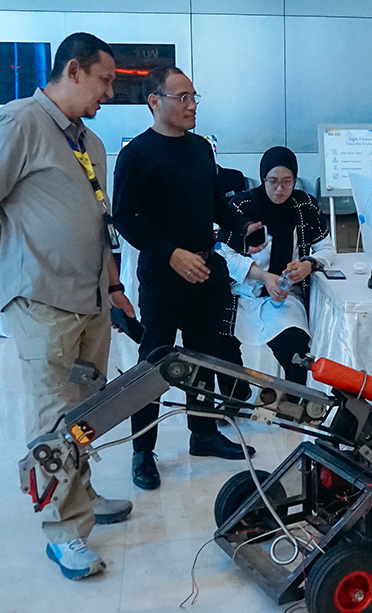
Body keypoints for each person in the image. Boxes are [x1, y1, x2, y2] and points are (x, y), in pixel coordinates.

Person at [0, 32, 136, 580]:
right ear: (74, 70)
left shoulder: (90, 142)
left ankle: (82, 496)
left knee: (85, 407)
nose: (109, 92)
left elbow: (100, 222)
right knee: (53, 415)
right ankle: (63, 532)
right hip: (43, 300)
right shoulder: (18, 123)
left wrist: (113, 287)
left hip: (91, 299)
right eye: (104, 80)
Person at [113, 66, 262, 492]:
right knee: (156, 360)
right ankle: (143, 450)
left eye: (194, 97)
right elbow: (125, 218)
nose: (192, 105)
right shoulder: (137, 154)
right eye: (182, 97)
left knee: (203, 354)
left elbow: (215, 203)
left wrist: (244, 226)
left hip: (205, 269)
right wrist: (171, 254)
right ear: (154, 101)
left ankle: (204, 431)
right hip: (163, 272)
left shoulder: (200, 149)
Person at [219, 146, 334, 384]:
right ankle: (237, 393)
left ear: (295, 179)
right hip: (244, 294)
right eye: (272, 181)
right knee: (222, 343)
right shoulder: (243, 205)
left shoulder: (305, 206)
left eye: (287, 181)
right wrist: (263, 276)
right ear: (263, 179)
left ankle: (292, 402)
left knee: (296, 353)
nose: (280, 189)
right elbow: (223, 254)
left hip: (285, 297)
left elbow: (327, 249)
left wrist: (309, 264)